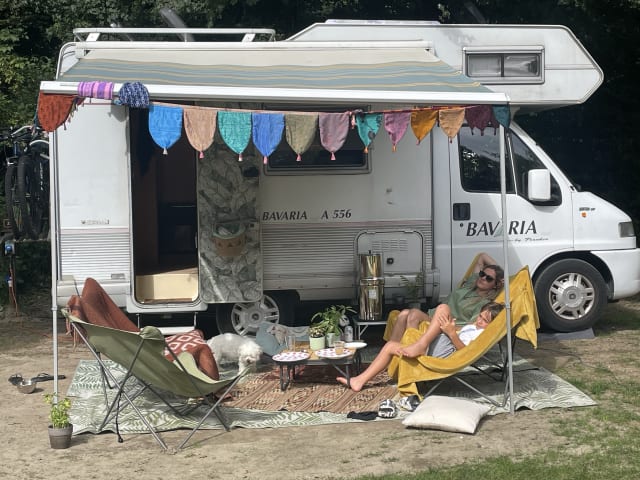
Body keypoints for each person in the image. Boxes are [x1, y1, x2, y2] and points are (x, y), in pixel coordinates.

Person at [337, 301, 504, 392]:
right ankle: (359, 381)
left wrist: (452, 333)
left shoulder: (483, 335)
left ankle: (420, 346)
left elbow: (467, 353)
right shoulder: (476, 328)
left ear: (493, 325)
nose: (479, 321)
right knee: (392, 343)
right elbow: (464, 332)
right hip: (446, 342)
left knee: (444, 307)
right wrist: (452, 328)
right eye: (480, 316)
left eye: (485, 320)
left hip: (448, 351)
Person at [384, 252, 504, 343]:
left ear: (495, 285)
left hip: (442, 323)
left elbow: (473, 326)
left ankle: (411, 358)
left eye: (489, 278)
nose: (483, 278)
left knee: (413, 314)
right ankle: (392, 357)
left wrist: (450, 328)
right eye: (482, 274)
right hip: (432, 315)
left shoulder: (483, 304)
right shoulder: (470, 285)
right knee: (403, 314)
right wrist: (500, 273)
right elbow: (482, 257)